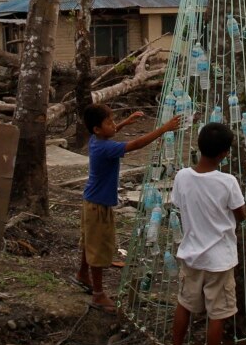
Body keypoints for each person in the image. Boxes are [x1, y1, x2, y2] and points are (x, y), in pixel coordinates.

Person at [76, 103, 180, 314]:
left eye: (114, 120)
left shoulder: (96, 140)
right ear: (97, 128)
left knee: (89, 241)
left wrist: (124, 122)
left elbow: (111, 132)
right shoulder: (106, 148)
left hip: (91, 202)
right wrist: (163, 129)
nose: (114, 125)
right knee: (97, 248)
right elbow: (136, 145)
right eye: (110, 122)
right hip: (99, 207)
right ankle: (98, 294)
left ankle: (82, 274)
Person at [170, 123, 246, 345]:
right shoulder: (227, 182)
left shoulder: (182, 176)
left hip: (191, 254)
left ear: (199, 146)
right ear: (224, 153)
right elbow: (241, 214)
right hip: (219, 260)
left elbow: (177, 203)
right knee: (218, 314)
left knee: (184, 304)